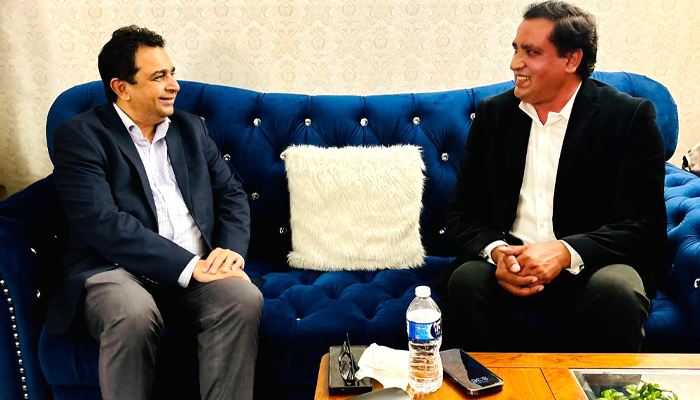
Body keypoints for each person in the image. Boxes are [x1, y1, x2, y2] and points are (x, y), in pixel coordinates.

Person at [50, 26, 263, 400]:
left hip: (197, 270)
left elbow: (231, 193)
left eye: (172, 73)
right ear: (122, 87)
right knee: (132, 313)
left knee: (242, 298)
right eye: (159, 77)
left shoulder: (191, 128)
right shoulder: (81, 136)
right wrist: (189, 265)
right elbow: (103, 223)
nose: (174, 85)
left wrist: (229, 251)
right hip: (116, 271)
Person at [445, 1, 666, 352]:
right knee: (466, 282)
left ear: (571, 60)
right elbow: (461, 212)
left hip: (593, 265)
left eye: (531, 52)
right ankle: (482, 382)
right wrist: (498, 253)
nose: (515, 63)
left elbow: (645, 225)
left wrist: (564, 252)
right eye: (516, 50)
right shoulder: (494, 115)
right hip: (511, 264)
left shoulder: (628, 117)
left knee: (618, 290)